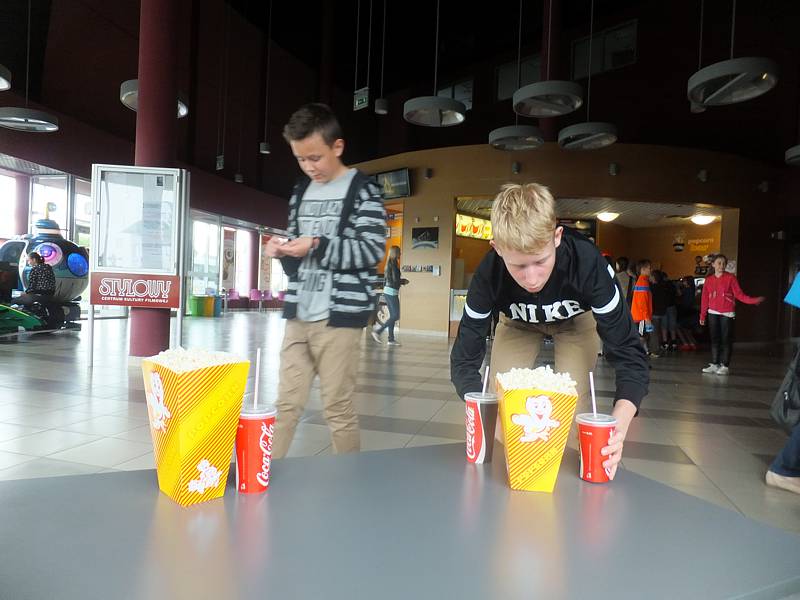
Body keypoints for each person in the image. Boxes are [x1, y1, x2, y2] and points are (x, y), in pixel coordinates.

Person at [450, 183, 649, 480]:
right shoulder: (488, 274)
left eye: (540, 261)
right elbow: (464, 357)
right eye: (518, 265)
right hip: (517, 322)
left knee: (573, 404)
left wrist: (619, 423)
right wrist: (483, 409)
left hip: (576, 321)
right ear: (497, 248)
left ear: (557, 237)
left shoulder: (588, 264)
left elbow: (629, 352)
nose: (532, 278)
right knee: (501, 406)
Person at [265, 103, 387, 458]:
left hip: (339, 321)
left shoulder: (363, 189)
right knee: (285, 405)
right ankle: (264, 475)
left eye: (315, 157)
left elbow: (370, 250)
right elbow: (296, 264)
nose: (309, 167)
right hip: (298, 315)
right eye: (300, 159)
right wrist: (283, 252)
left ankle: (347, 482)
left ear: (338, 146)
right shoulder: (300, 191)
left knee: (337, 407)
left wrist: (316, 245)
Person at [699, 254, 764, 375]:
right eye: (719, 263)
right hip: (712, 312)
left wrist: (753, 300)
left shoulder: (731, 278)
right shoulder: (708, 280)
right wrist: (702, 315)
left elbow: (739, 295)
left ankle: (725, 366)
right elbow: (704, 299)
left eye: (724, 263)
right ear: (713, 265)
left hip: (727, 313)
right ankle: (715, 364)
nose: (722, 266)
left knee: (726, 340)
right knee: (714, 340)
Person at [372, 245, 408, 346]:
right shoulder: (393, 264)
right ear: (395, 253)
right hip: (391, 292)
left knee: (393, 316)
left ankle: (391, 339)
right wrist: (403, 281)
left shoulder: (391, 263)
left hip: (390, 291)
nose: (400, 254)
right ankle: (378, 332)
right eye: (399, 252)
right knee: (396, 315)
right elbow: (394, 280)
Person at [630, 259, 654, 354]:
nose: (651, 270)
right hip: (641, 317)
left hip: (640, 316)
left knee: (642, 336)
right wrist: (647, 318)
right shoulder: (643, 282)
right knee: (641, 337)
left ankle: (642, 353)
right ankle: (638, 355)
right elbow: (642, 303)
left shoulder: (643, 281)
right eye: (649, 268)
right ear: (643, 269)